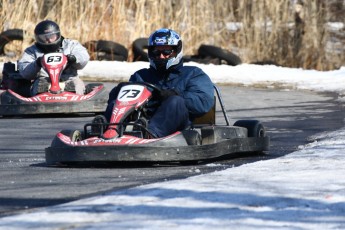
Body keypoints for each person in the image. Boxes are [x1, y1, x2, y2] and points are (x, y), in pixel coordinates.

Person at [100, 28, 214, 138]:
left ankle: (150, 135)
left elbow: (203, 102)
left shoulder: (193, 74)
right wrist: (119, 91)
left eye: (166, 51)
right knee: (116, 102)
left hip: (177, 126)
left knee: (175, 101)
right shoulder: (141, 76)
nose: (161, 56)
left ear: (176, 51)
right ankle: (105, 131)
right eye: (156, 51)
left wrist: (175, 94)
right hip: (140, 122)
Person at [18, 20, 89, 96]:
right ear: (38, 38)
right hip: (44, 79)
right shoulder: (32, 51)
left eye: (51, 36)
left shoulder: (70, 45)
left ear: (57, 35)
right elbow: (25, 72)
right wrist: (37, 63)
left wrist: (74, 58)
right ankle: (41, 100)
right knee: (39, 86)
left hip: (69, 78)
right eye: (44, 38)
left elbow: (84, 56)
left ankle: (74, 98)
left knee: (76, 86)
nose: (49, 40)